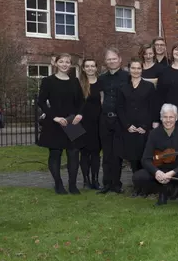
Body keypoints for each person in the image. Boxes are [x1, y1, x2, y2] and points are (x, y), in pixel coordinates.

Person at [133, 104, 178, 207]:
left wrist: (173, 173)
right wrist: (157, 172)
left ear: (176, 118)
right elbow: (145, 159)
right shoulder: (154, 134)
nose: (168, 120)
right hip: (161, 171)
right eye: (165, 117)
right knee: (138, 177)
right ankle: (162, 192)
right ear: (161, 118)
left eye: (171, 117)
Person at [37, 53, 84, 194]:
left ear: (70, 64)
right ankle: (58, 184)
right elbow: (41, 101)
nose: (65, 64)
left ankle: (73, 185)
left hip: (71, 121)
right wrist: (54, 117)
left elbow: (81, 102)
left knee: (74, 153)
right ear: (55, 63)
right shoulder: (48, 81)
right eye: (62, 61)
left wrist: (79, 115)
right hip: (55, 122)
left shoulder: (75, 81)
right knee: (55, 154)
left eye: (67, 62)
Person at [116, 58, 159, 197]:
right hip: (129, 129)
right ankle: (137, 186)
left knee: (144, 158)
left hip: (143, 128)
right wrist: (127, 125)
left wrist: (145, 126)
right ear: (129, 69)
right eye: (133, 68)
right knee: (133, 159)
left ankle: (146, 188)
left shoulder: (149, 87)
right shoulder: (122, 87)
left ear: (142, 70)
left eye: (138, 68)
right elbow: (120, 108)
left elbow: (152, 107)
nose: (136, 71)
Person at [97, 48, 129, 194]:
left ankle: (116, 184)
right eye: (109, 59)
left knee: (117, 153)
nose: (111, 61)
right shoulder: (102, 78)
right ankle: (106, 184)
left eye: (114, 58)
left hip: (119, 119)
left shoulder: (127, 77)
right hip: (104, 119)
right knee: (107, 153)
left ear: (120, 59)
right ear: (105, 61)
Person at [78, 58, 102, 190]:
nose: (90, 68)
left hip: (98, 123)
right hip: (82, 123)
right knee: (85, 153)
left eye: (93, 66)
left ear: (96, 68)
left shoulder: (101, 83)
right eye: (87, 66)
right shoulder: (79, 83)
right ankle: (86, 181)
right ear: (83, 68)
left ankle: (95, 180)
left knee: (96, 154)